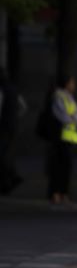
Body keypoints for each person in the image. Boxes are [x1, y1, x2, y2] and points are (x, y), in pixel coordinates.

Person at [46, 75, 77, 205]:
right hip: (59, 136)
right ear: (67, 84)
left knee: (66, 166)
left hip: (68, 137)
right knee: (59, 166)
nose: (74, 85)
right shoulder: (59, 96)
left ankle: (63, 194)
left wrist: (74, 117)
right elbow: (64, 116)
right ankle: (56, 194)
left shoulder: (69, 97)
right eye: (72, 82)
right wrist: (73, 118)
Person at [0, 65, 25, 195]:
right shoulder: (13, 89)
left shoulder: (2, 90)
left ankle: (9, 179)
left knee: (3, 154)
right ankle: (11, 178)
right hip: (13, 126)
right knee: (7, 152)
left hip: (4, 126)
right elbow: (23, 106)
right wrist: (15, 116)